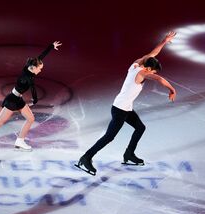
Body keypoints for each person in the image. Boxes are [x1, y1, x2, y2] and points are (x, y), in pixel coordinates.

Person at [75, 32, 177, 175]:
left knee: (140, 128)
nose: (153, 73)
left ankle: (129, 155)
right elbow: (160, 80)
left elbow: (152, 54)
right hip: (119, 109)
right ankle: (86, 157)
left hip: (126, 107)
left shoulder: (137, 63)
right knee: (109, 137)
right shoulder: (142, 73)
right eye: (153, 71)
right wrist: (172, 89)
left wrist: (164, 41)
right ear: (148, 69)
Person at [0, 41, 62, 156]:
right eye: (40, 69)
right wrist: (34, 100)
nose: (40, 70)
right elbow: (33, 89)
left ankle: (20, 141)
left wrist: (51, 47)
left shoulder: (28, 67)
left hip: (18, 99)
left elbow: (40, 57)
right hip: (12, 100)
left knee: (30, 118)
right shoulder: (28, 78)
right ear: (33, 68)